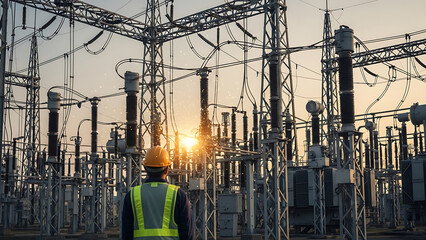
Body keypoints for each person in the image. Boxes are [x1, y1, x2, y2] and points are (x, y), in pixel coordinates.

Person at [121, 146, 194, 240]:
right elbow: (187, 234)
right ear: (167, 169)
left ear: (145, 168)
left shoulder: (132, 195)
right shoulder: (178, 195)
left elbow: (126, 233)